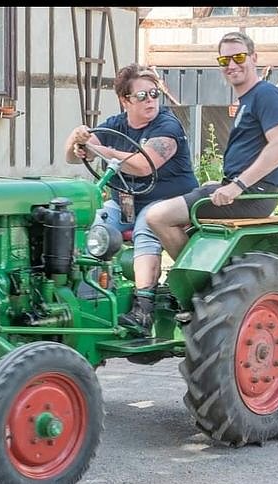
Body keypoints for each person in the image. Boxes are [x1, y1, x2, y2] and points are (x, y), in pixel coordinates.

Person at [146, 31, 278, 293]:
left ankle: (198, 288)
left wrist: (236, 186)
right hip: (242, 190)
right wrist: (224, 184)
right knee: (177, 215)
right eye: (225, 60)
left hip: (251, 195)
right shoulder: (247, 100)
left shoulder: (267, 94)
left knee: (157, 216)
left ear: (254, 58)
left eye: (238, 57)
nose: (232, 65)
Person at [64, 63, 198, 336]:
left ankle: (143, 307)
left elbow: (143, 165)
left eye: (154, 94)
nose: (150, 100)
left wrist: (98, 149)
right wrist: (78, 139)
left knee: (146, 227)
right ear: (125, 100)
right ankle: (86, 296)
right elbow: (72, 155)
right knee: (94, 227)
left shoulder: (167, 125)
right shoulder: (116, 125)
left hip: (169, 202)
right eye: (142, 96)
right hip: (124, 202)